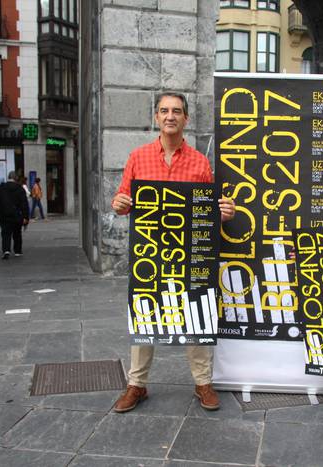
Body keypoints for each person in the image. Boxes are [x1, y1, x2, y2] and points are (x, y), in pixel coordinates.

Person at [111, 92, 236, 413]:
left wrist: (223, 212)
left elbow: (208, 209)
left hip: (190, 250)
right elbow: (123, 199)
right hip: (150, 251)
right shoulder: (138, 157)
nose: (170, 116)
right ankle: (136, 385)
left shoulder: (199, 162)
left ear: (185, 118)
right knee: (144, 315)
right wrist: (119, 203)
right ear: (156, 117)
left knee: (196, 313)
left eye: (176, 111)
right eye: (164, 111)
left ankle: (202, 383)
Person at [0, 171, 29, 259]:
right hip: (17, 214)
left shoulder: (0, 188)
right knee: (17, 233)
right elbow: (24, 204)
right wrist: (25, 217)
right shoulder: (20, 189)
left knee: (5, 233)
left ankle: (6, 250)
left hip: (4, 214)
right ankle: (17, 251)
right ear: (16, 178)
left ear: (8, 177)